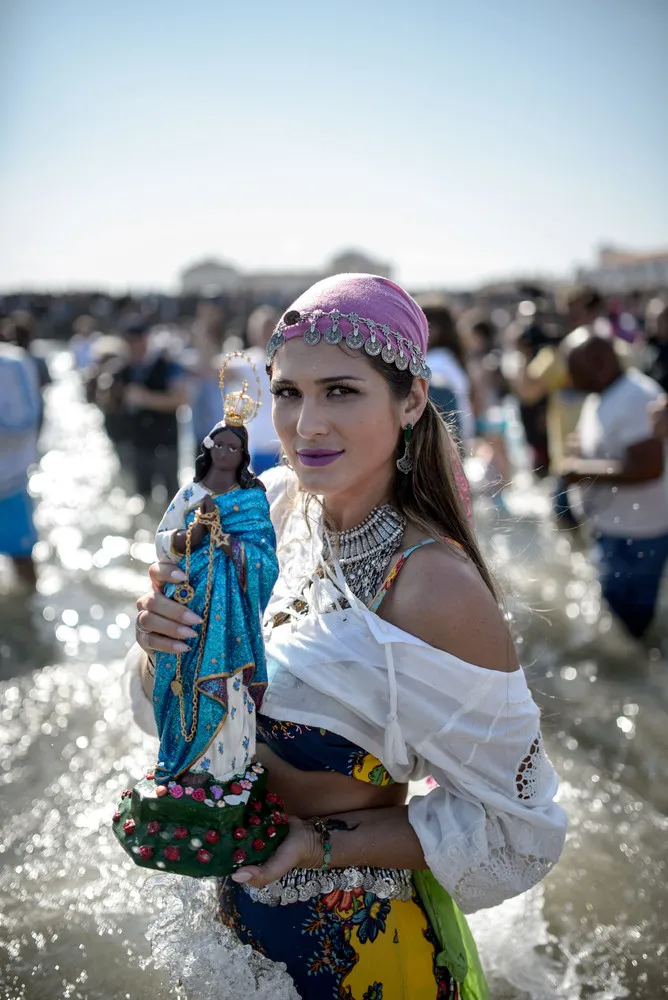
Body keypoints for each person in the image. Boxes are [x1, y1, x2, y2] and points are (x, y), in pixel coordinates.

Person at [128, 274, 566, 999]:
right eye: (289, 393)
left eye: (341, 391)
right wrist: (160, 640)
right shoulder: (262, 508)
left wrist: (315, 845)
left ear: (412, 399)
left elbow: (518, 829)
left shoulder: (435, 589)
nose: (305, 425)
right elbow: (172, 710)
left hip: (360, 949)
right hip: (233, 920)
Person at [561, 334, 668, 638]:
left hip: (638, 534)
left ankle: (642, 672)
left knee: (632, 620)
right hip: (614, 528)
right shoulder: (603, 393)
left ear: (600, 364)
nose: (570, 377)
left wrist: (582, 470)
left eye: (575, 369)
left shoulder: (636, 397)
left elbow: (650, 467)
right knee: (617, 610)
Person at [99, 317, 188, 499]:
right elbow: (108, 405)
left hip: (165, 443)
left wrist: (146, 399)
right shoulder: (120, 369)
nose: (133, 345)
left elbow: (180, 400)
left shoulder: (167, 365)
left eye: (137, 339)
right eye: (129, 341)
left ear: (146, 339)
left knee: (172, 497)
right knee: (141, 496)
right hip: (138, 444)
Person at [0, 337, 41, 588]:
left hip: (8, 483)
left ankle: (32, 618)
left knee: (23, 561)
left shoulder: (12, 363)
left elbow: (27, 421)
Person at [423, 301, 474, 447]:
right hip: (457, 444)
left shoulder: (435, 363)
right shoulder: (447, 358)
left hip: (443, 447)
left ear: (433, 329)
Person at [244, 305, 281, 474]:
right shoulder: (245, 360)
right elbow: (210, 370)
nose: (266, 333)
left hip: (285, 446)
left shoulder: (292, 358)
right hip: (257, 445)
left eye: (270, 327)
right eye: (262, 328)